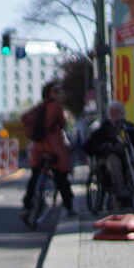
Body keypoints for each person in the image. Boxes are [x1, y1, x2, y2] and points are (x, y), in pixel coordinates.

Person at [22, 80, 76, 221]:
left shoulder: (39, 107)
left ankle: (27, 206)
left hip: (38, 147)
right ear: (50, 93)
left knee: (35, 176)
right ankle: (69, 206)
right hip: (53, 145)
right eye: (56, 91)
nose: (59, 93)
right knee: (61, 176)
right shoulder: (56, 106)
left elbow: (24, 118)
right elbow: (63, 123)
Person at [85, 100, 134, 208]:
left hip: (127, 157)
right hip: (107, 160)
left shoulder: (129, 127)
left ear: (122, 113)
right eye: (112, 113)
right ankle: (121, 189)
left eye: (118, 112)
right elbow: (88, 147)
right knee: (113, 161)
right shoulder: (103, 130)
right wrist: (103, 148)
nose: (115, 116)